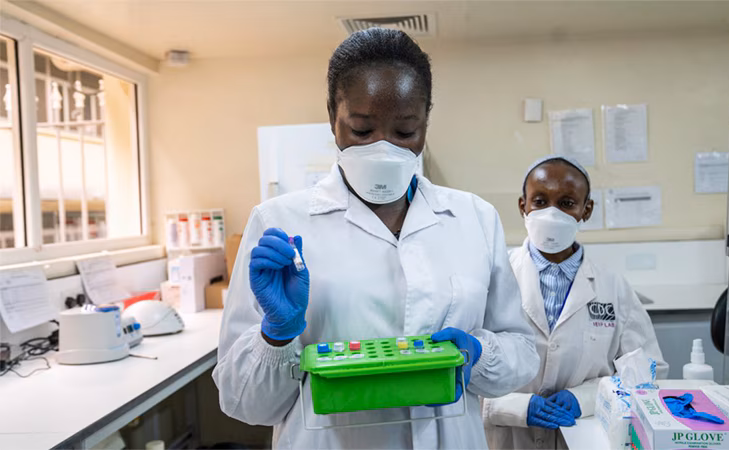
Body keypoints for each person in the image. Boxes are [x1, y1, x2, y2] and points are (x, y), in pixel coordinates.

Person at [213, 28, 539, 449]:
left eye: (405, 133)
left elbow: (521, 353)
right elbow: (245, 404)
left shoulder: (473, 218)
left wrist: (478, 352)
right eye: (362, 131)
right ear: (333, 117)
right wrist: (277, 334)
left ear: (425, 121)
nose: (383, 150)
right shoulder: (278, 222)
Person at [482, 156, 668, 450]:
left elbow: (647, 371)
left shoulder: (613, 287)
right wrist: (515, 406)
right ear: (523, 206)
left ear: (586, 210)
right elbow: (463, 371)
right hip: (506, 439)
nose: (551, 214)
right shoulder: (491, 277)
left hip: (584, 436)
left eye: (567, 203)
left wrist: (586, 398)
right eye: (540, 201)